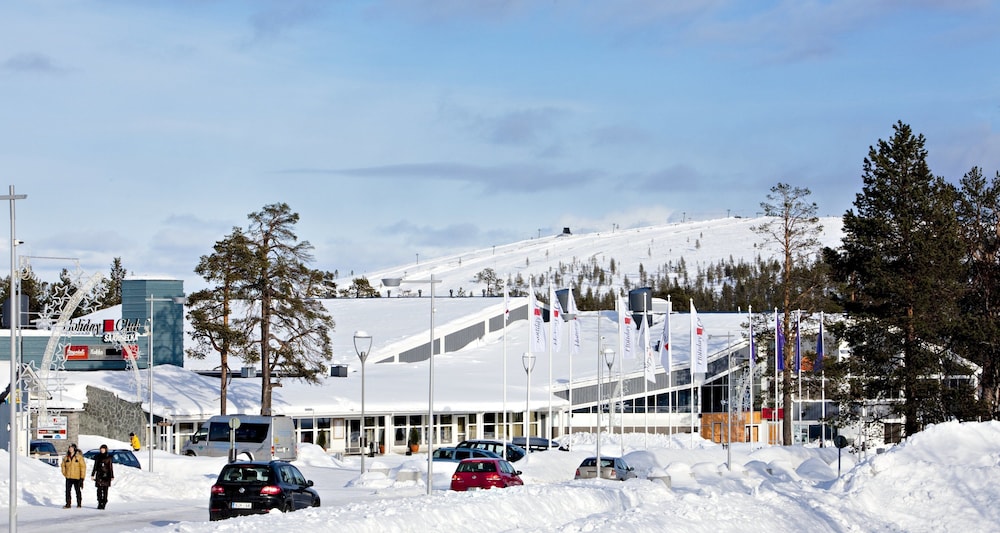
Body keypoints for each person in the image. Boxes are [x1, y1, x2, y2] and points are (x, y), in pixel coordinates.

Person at [60, 443, 86, 509]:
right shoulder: (66, 457)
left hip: (77, 477)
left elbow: (83, 467)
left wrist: (82, 477)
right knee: (68, 491)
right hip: (68, 477)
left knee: (77, 491)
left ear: (74, 449)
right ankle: (68, 504)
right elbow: (63, 465)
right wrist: (64, 473)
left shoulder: (79, 457)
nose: (70, 449)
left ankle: (79, 504)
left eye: (72, 448)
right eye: (69, 448)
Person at [90, 444, 114, 510]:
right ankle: (100, 502)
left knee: (105, 490)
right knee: (99, 490)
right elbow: (95, 466)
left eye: (103, 449)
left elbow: (110, 467)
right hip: (99, 475)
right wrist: (92, 474)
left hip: (106, 475)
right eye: (101, 449)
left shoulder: (108, 457)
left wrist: (112, 476)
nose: (102, 450)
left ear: (106, 449)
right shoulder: (98, 457)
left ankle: (104, 501)